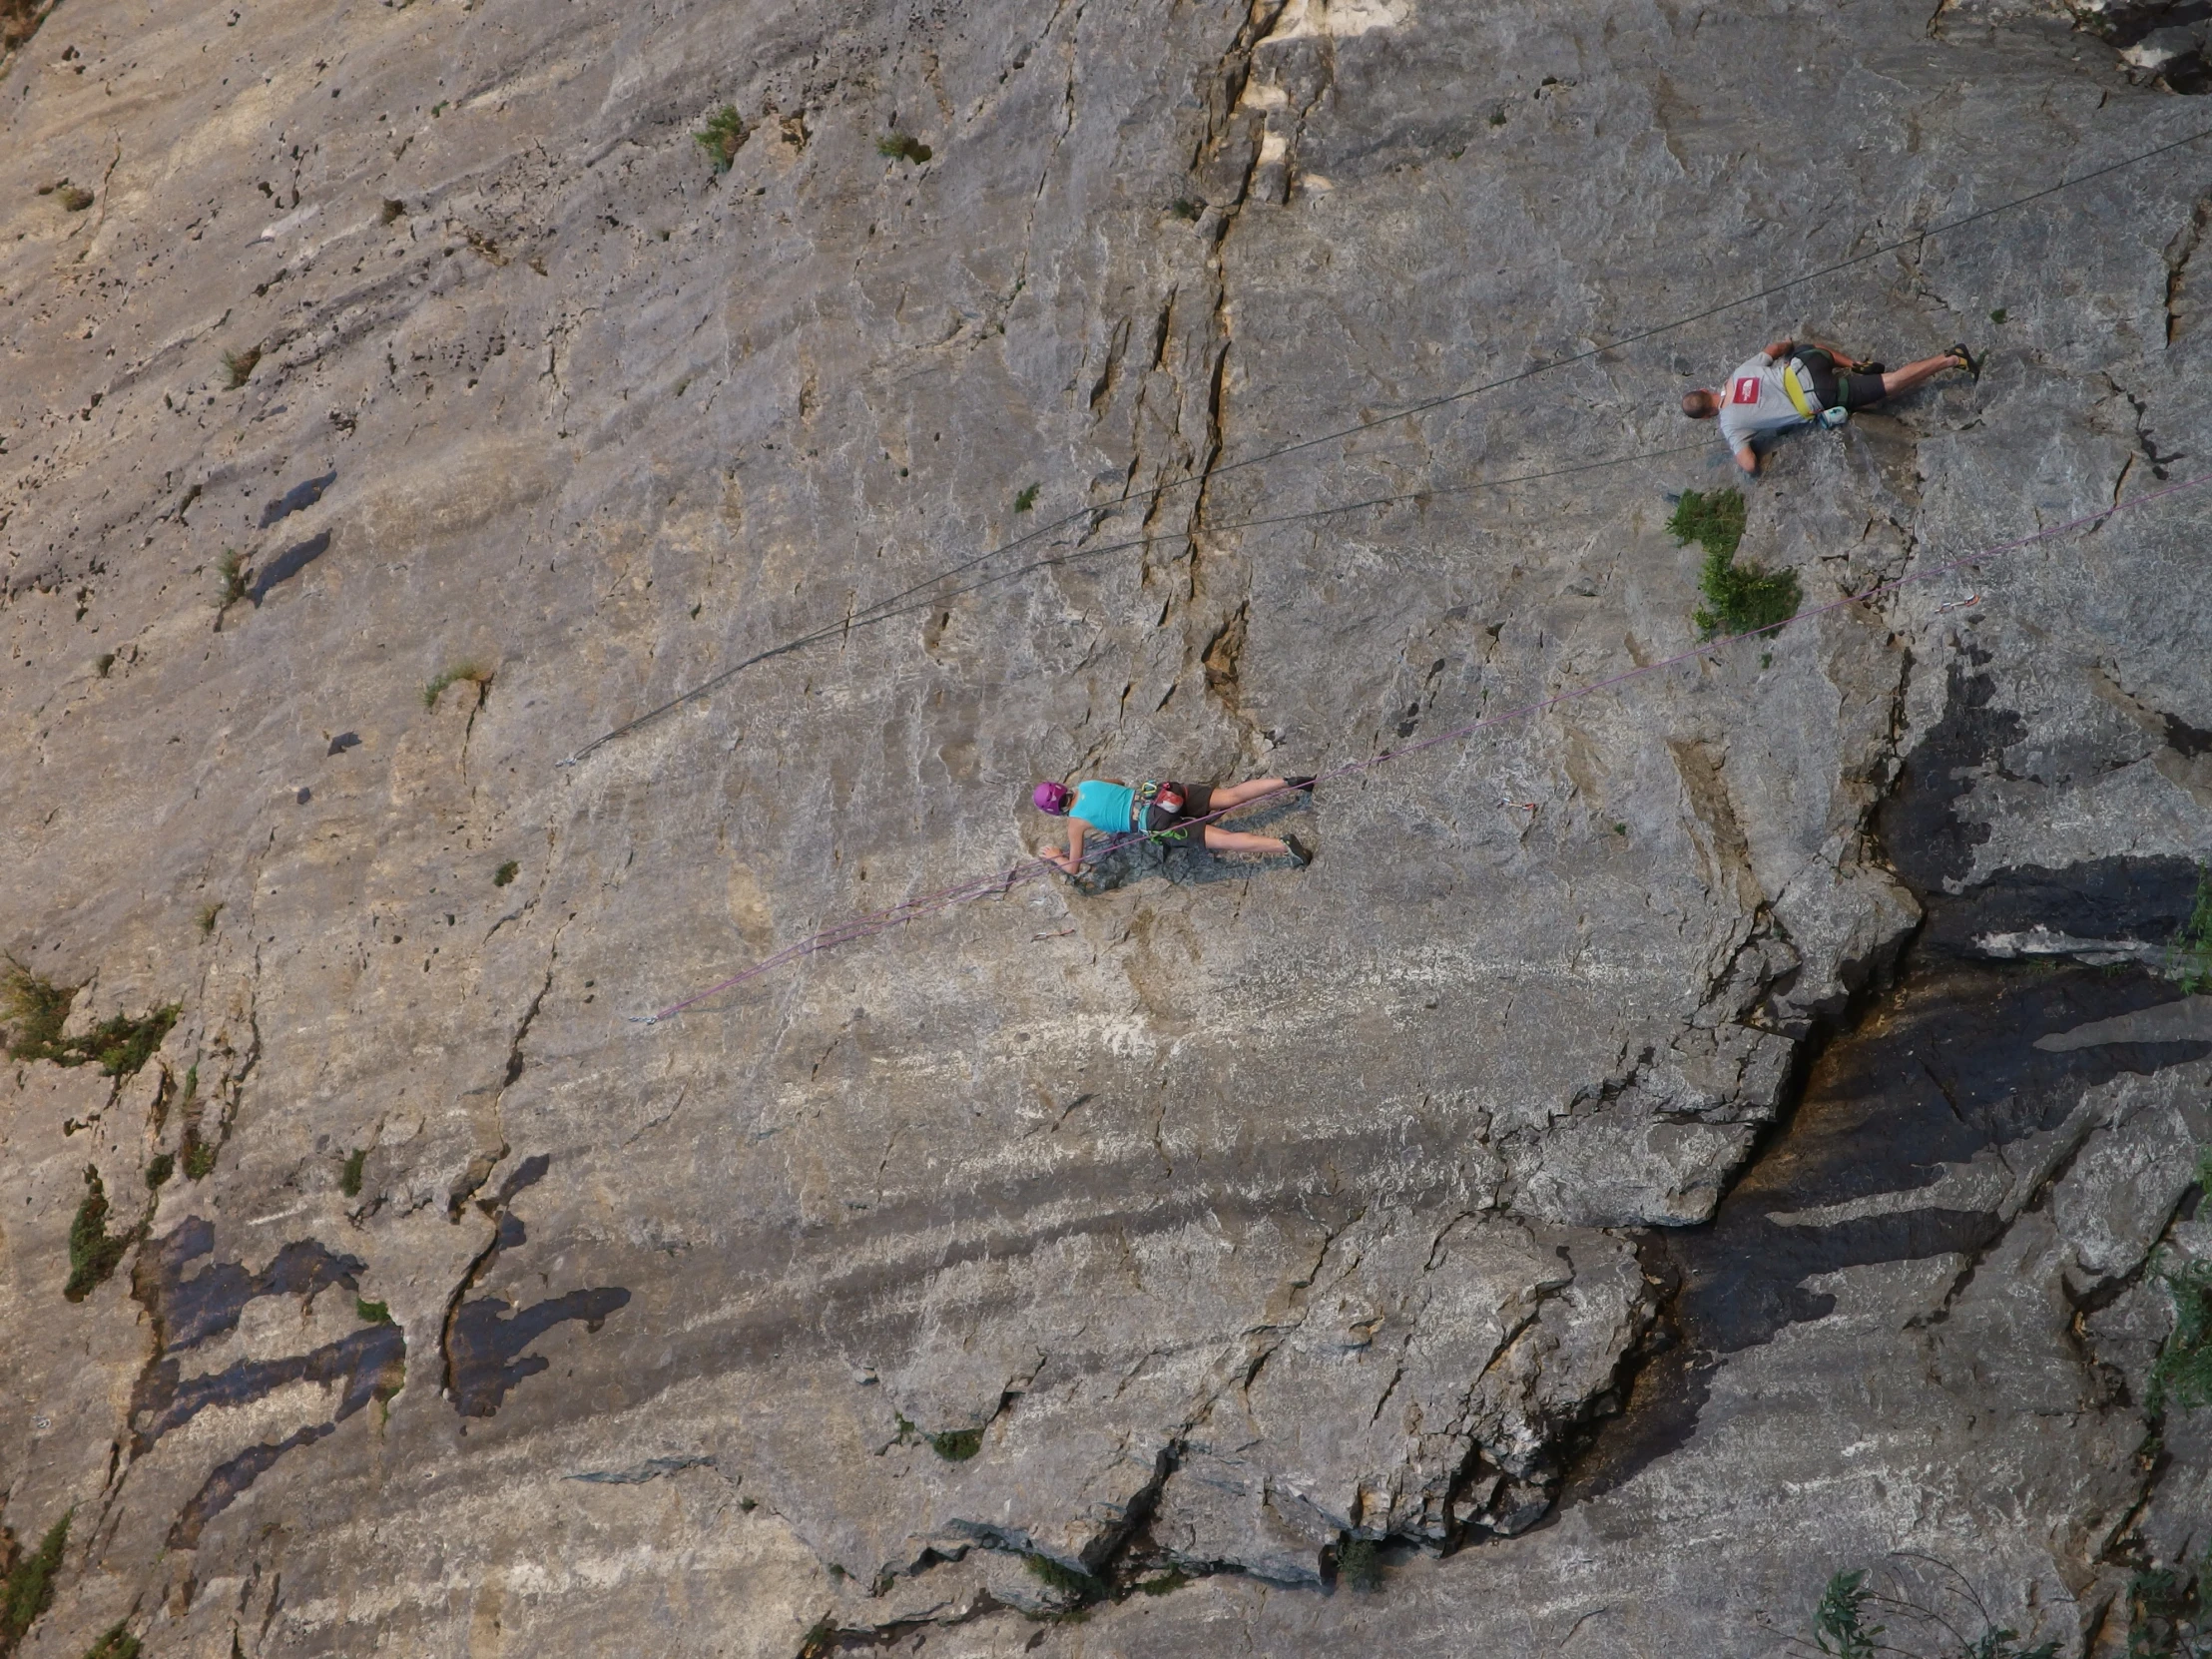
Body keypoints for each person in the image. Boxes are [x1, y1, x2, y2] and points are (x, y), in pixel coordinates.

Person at [1681, 336, 1979, 474]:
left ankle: (1951, 359)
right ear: (1707, 390)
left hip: (1818, 394)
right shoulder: (1737, 375)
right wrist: (1787, 345)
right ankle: (1854, 364)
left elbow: (1749, 464)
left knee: (1889, 385)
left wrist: (1749, 445)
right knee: (1810, 349)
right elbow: (1774, 349)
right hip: (1804, 364)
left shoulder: (1730, 424)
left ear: (1708, 416)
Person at [1031, 775, 1314, 872]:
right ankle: (1287, 783)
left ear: (1054, 810)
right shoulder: (1088, 783)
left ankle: (1283, 845)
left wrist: (1057, 856)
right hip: (1166, 795)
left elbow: (1074, 867)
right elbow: (1118, 784)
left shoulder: (1075, 823)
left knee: (1222, 839)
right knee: (1231, 795)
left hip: (1156, 822)